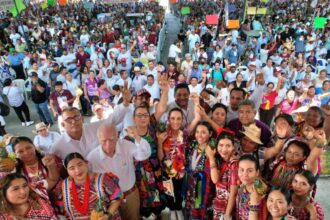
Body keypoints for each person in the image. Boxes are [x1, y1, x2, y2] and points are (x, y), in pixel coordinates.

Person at [87, 123, 151, 220]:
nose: (108, 145)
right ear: (98, 139)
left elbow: (144, 155)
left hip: (130, 195)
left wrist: (137, 136)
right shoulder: (92, 158)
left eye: (112, 140)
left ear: (117, 136)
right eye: (104, 141)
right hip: (109, 202)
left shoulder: (126, 145)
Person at [51, 82, 131, 159]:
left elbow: (112, 120)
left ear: (82, 119)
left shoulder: (93, 128)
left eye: (76, 117)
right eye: (68, 119)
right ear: (62, 125)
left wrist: (125, 103)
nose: (73, 121)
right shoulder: (58, 146)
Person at [157, 107, 199, 220]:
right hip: (167, 171)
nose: (175, 121)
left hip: (180, 171)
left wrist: (196, 103)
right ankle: (172, 210)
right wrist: (160, 142)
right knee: (169, 192)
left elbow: (196, 119)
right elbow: (160, 157)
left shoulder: (184, 134)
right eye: (173, 118)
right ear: (169, 119)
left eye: (178, 119)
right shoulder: (163, 135)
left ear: (182, 120)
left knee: (180, 192)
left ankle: (178, 208)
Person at [53, 152, 123, 219]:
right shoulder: (61, 188)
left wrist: (107, 215)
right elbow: (59, 212)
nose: (77, 170)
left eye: (80, 164)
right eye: (72, 168)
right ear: (67, 171)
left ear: (86, 163)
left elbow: (117, 198)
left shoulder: (103, 179)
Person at [126, 105, 165, 219]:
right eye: (139, 115)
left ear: (149, 117)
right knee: (144, 199)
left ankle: (157, 213)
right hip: (139, 174)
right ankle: (147, 214)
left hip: (155, 171)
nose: (143, 118)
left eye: (145, 115)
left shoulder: (153, 131)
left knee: (157, 197)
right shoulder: (128, 137)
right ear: (134, 118)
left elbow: (161, 108)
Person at [184, 121, 215, 219]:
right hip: (190, 183)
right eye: (197, 132)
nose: (199, 135)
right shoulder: (192, 145)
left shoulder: (211, 149)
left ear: (210, 134)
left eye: (203, 132)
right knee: (190, 208)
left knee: (201, 209)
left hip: (204, 186)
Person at [206, 132, 238, 220]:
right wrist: (212, 157)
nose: (224, 149)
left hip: (228, 208)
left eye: (228, 145)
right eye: (221, 145)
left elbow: (233, 193)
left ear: (233, 147)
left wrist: (227, 215)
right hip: (220, 204)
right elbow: (215, 179)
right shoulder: (221, 160)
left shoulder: (234, 164)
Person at [236, 154, 267, 220]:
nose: (245, 174)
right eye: (241, 170)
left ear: (257, 172)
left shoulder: (260, 192)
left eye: (250, 171)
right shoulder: (242, 186)